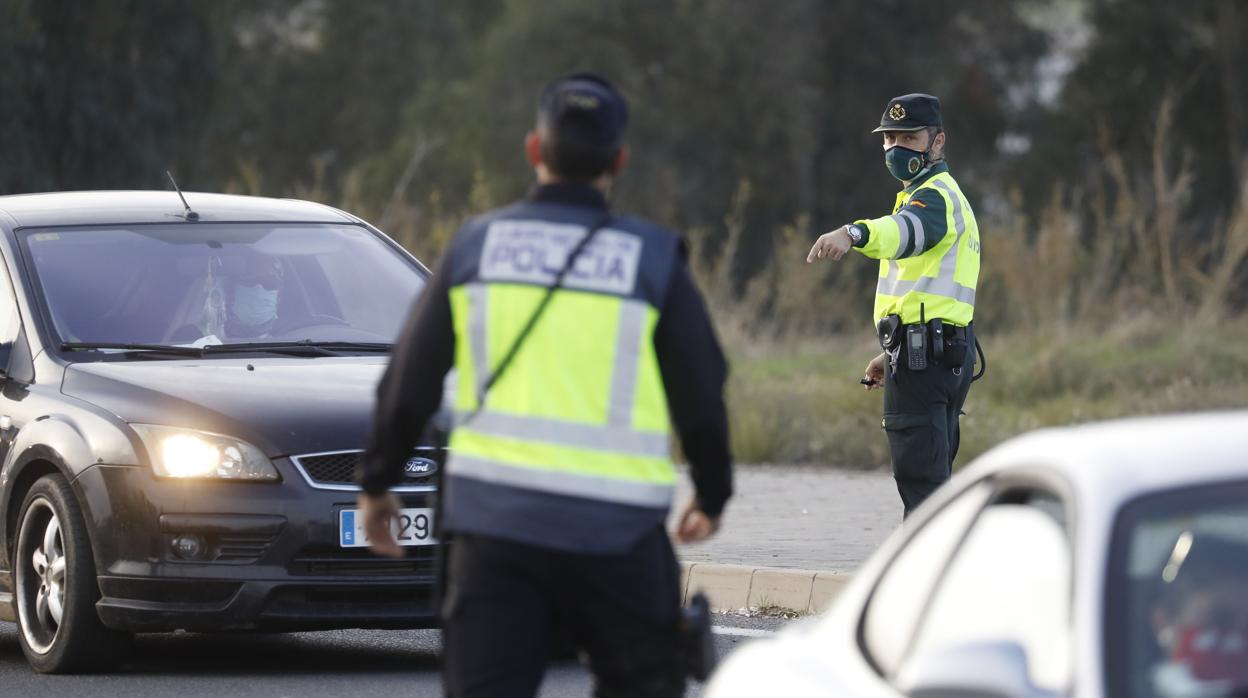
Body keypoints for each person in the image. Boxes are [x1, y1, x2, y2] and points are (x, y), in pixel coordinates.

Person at [358, 73, 733, 697]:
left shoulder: (477, 246)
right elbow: (702, 389)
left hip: (494, 538)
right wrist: (713, 492)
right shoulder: (653, 259)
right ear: (619, 160)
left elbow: (410, 379)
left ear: (535, 150)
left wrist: (377, 483)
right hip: (619, 540)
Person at [805, 93, 981, 517]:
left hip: (926, 363)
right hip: (935, 354)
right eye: (890, 139)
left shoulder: (934, 198)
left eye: (910, 137)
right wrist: (891, 350)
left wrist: (854, 233)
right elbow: (927, 291)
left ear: (938, 142)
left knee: (924, 497)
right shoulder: (933, 196)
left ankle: (924, 582)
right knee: (933, 488)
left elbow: (906, 233)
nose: (898, 148)